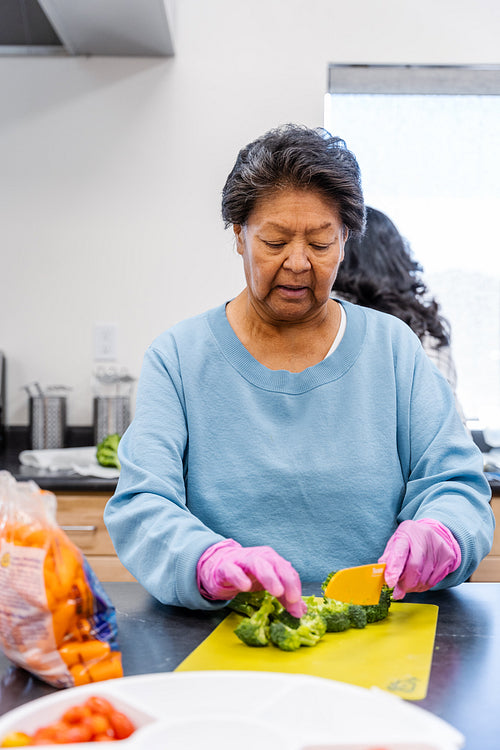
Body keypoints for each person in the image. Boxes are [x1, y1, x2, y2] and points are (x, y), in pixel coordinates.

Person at [104, 124, 493, 616]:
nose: (298, 263)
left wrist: (441, 533)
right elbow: (142, 505)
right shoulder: (179, 357)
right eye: (274, 241)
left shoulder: (393, 349)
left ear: (346, 240)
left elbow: (456, 486)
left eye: (320, 243)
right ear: (239, 236)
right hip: (229, 630)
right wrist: (206, 562)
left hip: (375, 628)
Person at [333, 206, 465, 419]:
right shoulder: (426, 327)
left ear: (340, 253)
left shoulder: (330, 319)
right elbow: (448, 418)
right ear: (396, 257)